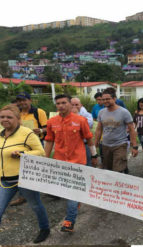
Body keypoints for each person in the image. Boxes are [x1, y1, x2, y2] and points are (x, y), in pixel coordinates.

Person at [0, 104, 50, 245]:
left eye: (9, 117)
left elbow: (41, 152)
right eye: (2, 117)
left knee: (35, 205)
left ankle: (45, 229)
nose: (5, 119)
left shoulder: (27, 133)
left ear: (17, 119)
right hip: (4, 181)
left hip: (25, 179)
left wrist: (23, 154)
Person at [45, 94, 97, 232]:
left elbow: (89, 139)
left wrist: (94, 155)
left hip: (78, 161)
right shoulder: (51, 122)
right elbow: (49, 140)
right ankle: (77, 202)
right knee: (68, 190)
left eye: (63, 102)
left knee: (71, 192)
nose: (60, 106)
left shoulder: (81, 120)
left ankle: (69, 221)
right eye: (58, 103)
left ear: (70, 104)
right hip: (60, 161)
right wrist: (45, 158)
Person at [10, 92, 48, 206]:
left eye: (24, 100)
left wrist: (40, 131)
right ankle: (22, 196)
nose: (22, 103)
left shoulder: (39, 112)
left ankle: (39, 192)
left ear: (30, 100)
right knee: (21, 169)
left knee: (36, 168)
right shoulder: (16, 113)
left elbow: (46, 128)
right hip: (20, 144)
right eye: (19, 101)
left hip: (35, 144)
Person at [94, 88, 138, 173]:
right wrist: (95, 144)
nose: (105, 101)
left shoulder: (124, 112)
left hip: (120, 145)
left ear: (114, 99)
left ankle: (121, 182)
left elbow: (132, 130)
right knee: (108, 170)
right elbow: (99, 129)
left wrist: (134, 146)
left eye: (108, 99)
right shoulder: (101, 112)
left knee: (118, 170)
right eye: (103, 99)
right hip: (105, 145)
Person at [71, 97, 93, 166]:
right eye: (72, 105)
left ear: (81, 105)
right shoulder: (64, 116)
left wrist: (76, 116)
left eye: (76, 104)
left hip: (84, 144)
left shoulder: (88, 115)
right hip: (71, 146)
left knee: (87, 165)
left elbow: (88, 125)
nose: (74, 107)